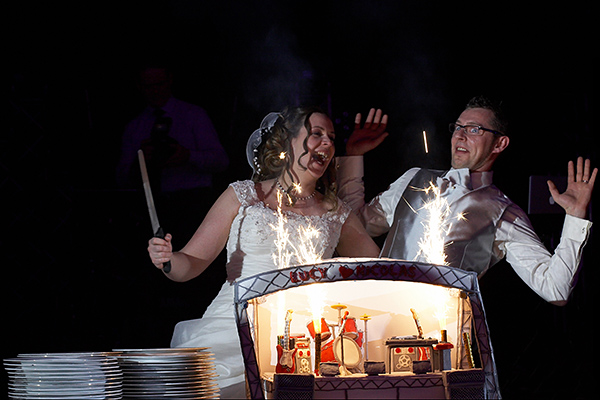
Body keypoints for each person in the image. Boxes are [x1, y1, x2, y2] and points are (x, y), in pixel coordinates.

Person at [147, 106, 380, 398]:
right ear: (286, 142)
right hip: (232, 326)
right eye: (317, 134)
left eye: (332, 137)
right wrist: (168, 260)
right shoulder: (243, 196)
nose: (328, 143)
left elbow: (380, 269)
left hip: (299, 336)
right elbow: (190, 264)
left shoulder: (336, 213)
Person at [338, 96, 596, 306]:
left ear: (500, 143)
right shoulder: (414, 178)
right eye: (458, 127)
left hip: (440, 342)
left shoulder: (503, 212)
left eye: (474, 130)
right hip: (378, 322)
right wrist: (353, 156)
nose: (460, 136)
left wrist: (575, 217)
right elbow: (351, 227)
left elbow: (555, 289)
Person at [116, 64, 229, 240]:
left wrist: (187, 156)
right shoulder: (135, 127)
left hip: (194, 204)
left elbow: (221, 161)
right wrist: (141, 162)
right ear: (139, 87)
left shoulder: (193, 115)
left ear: (169, 81)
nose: (155, 91)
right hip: (153, 208)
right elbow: (121, 179)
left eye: (159, 84)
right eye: (148, 86)